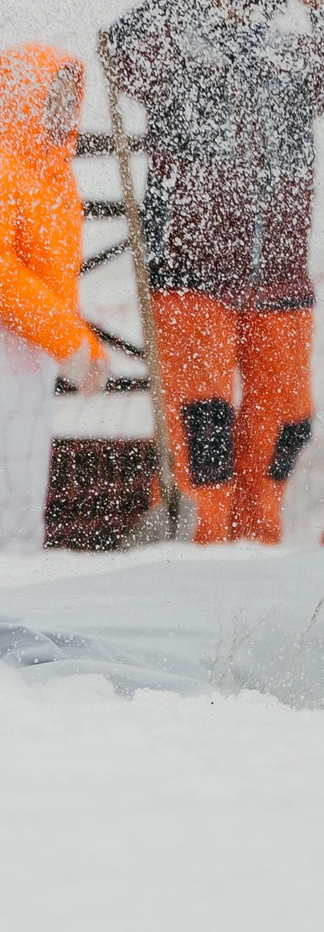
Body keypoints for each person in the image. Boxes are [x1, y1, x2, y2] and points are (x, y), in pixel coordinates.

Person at [102, 0, 324, 545]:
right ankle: (197, 551)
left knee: (287, 428)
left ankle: (260, 549)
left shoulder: (289, 61)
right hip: (192, 280)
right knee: (202, 430)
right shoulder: (180, 59)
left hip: (280, 284)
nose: (248, 1)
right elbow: (119, 52)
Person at [0, 46, 109, 552]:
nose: (65, 109)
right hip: (9, 341)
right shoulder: (5, 166)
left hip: (34, 348)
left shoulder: (56, 175)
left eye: (71, 97)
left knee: (23, 472)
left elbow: (53, 281)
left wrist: (82, 344)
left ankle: (20, 581)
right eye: (52, 96)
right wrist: (68, 341)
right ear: (23, 97)